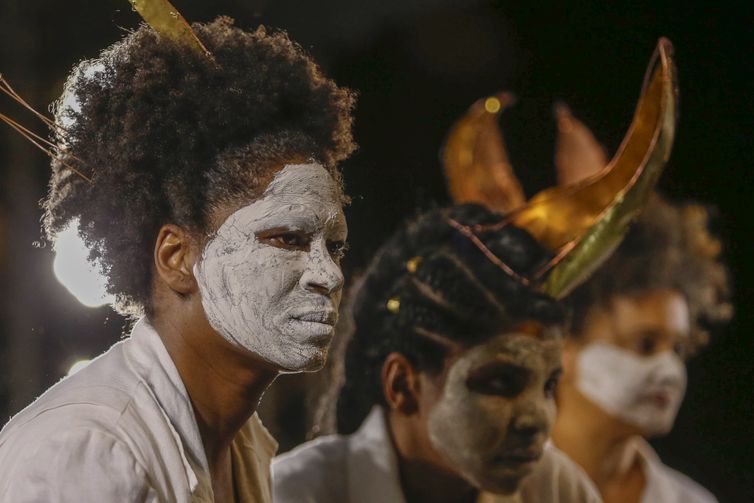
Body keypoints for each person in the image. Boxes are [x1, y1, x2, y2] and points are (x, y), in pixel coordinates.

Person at [0, 15, 355, 502]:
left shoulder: (244, 445)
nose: (328, 274)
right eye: (288, 239)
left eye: (334, 246)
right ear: (177, 257)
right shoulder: (86, 452)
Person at [273, 204, 601, 503]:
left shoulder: (555, 490)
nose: (537, 419)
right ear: (403, 385)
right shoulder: (294, 493)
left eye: (548, 385)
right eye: (501, 383)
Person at [552, 196, 732, 503]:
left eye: (677, 349)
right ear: (560, 348)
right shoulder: (492, 491)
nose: (670, 371)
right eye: (645, 344)